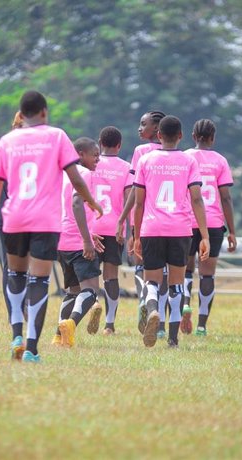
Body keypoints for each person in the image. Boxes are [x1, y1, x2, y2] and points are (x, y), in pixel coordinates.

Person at [0, 90, 103, 363]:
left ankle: (16, 336)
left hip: (13, 219)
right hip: (45, 222)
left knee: (16, 276)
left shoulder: (7, 141)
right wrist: (92, 202)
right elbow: (76, 180)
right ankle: (32, 350)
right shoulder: (57, 136)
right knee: (39, 281)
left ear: (21, 115)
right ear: (45, 113)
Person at [132, 115, 210, 348]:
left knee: (151, 282)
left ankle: (154, 309)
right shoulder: (188, 161)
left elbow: (138, 202)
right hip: (180, 229)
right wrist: (204, 235)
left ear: (158, 135)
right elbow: (196, 199)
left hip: (152, 228)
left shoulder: (146, 160)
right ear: (180, 136)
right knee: (176, 284)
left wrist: (136, 235)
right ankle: (173, 340)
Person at [182, 119, 237, 336]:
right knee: (207, 275)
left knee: (185, 269)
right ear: (213, 138)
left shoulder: (184, 157)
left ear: (193, 136)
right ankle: (202, 325)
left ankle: (185, 302)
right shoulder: (220, 161)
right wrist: (231, 231)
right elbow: (226, 197)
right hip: (213, 223)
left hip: (187, 221)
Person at [115, 111, 167, 334]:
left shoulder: (141, 152)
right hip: (170, 222)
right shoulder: (175, 153)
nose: (139, 128)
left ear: (156, 129)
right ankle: (162, 322)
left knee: (140, 266)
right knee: (163, 272)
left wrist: (126, 223)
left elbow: (135, 191)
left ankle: (144, 303)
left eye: (143, 124)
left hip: (145, 220)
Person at [53, 137, 104, 348]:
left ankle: (58, 336)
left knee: (73, 292)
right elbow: (76, 203)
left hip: (61, 240)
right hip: (77, 242)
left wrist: (89, 234)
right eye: (95, 155)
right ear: (81, 155)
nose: (98, 160)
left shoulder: (62, 176)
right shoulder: (84, 174)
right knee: (91, 292)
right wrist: (86, 239)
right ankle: (72, 323)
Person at [89, 126, 133, 335]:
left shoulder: (91, 165)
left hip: (92, 227)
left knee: (90, 274)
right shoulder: (126, 168)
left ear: (100, 142)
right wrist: (129, 231)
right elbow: (128, 200)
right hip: (115, 227)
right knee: (111, 276)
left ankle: (93, 304)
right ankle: (109, 324)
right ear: (119, 145)